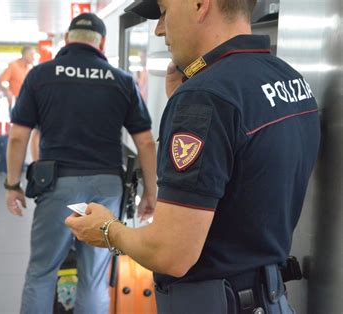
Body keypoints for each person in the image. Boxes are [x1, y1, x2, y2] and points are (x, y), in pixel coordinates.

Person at [66, 1, 321, 313]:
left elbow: (171, 254)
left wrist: (108, 230)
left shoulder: (205, 97)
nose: (159, 29)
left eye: (163, 11)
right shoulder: (289, 79)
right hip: (270, 299)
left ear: (200, 5)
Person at [5, 13, 157, 314]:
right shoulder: (121, 80)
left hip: (58, 185)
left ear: (66, 40)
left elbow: (18, 137)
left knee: (42, 272)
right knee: (95, 277)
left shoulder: (40, 75)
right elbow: (146, 143)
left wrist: (12, 185)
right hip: (107, 188)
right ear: (101, 43)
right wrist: (151, 193)